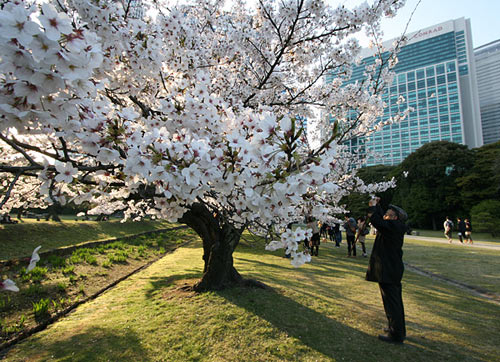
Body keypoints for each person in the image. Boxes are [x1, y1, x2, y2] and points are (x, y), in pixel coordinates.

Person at [365, 197, 407, 344]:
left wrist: (372, 207)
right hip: (391, 270)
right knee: (392, 302)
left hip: (389, 270)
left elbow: (377, 221)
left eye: (387, 215)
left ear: (394, 218)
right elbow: (381, 218)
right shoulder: (394, 225)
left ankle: (396, 335)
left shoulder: (393, 227)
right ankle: (396, 329)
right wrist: (379, 206)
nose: (385, 216)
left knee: (392, 303)